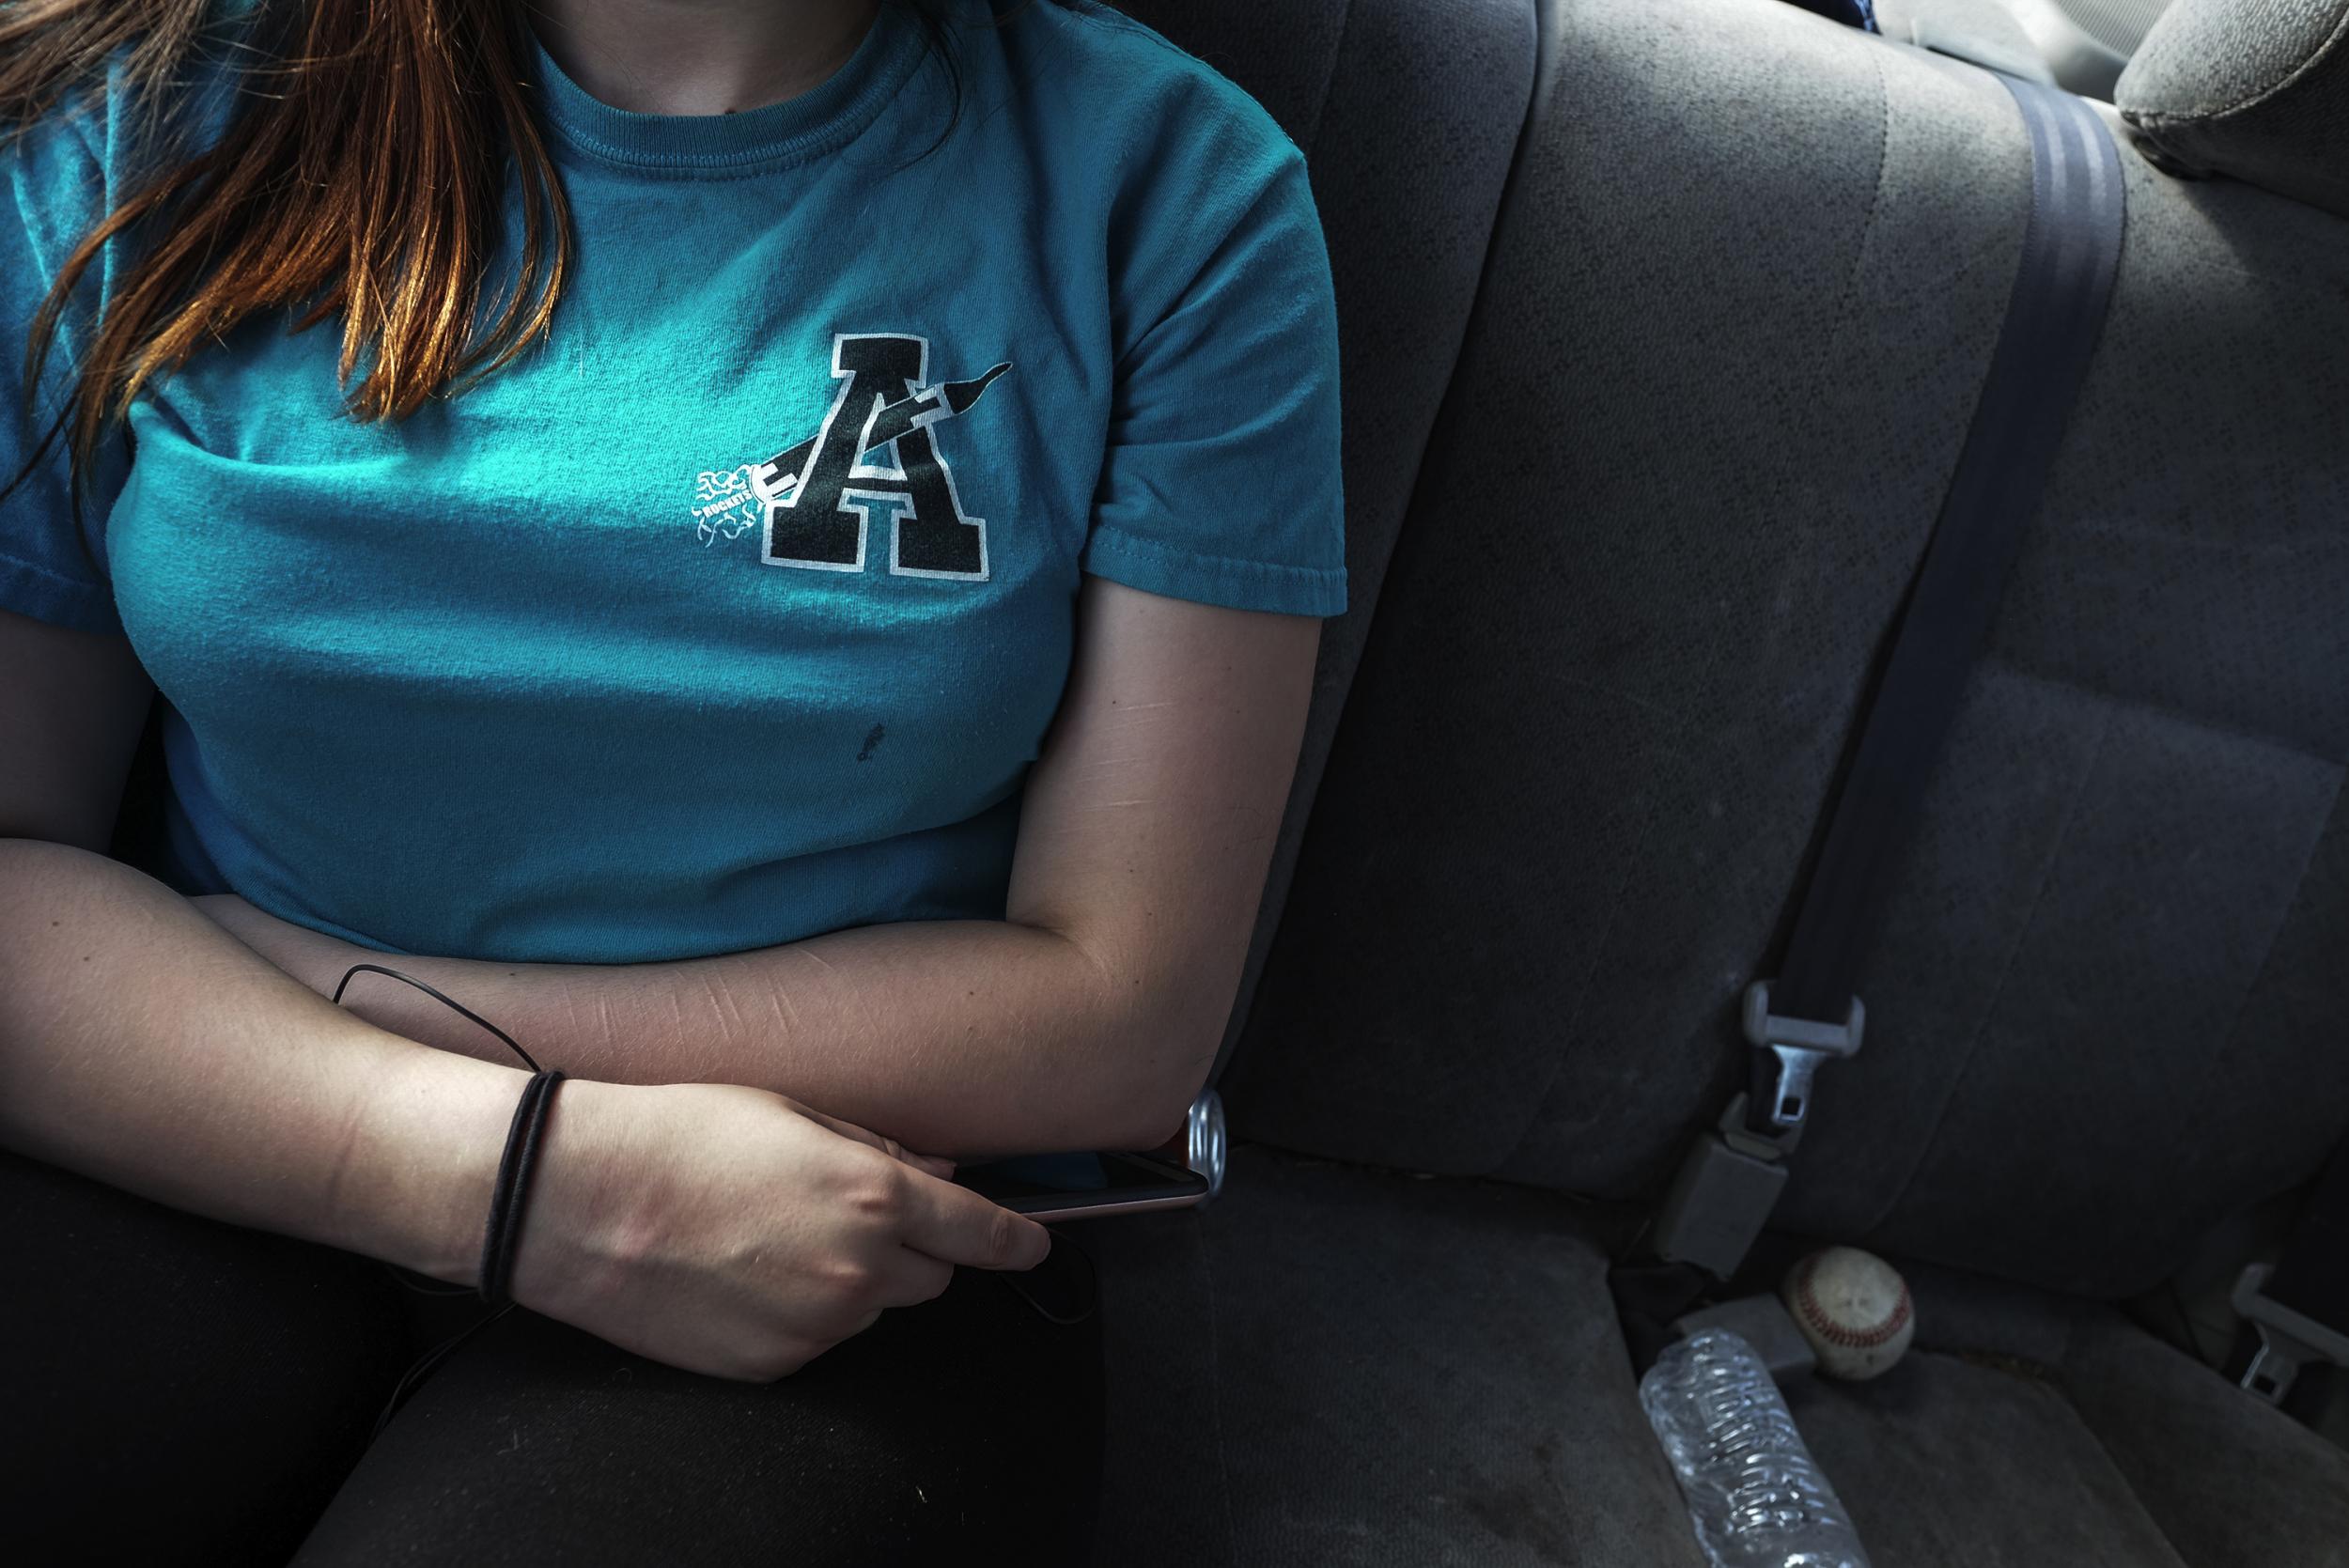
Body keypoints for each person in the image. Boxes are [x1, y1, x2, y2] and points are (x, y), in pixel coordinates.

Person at [0, 0, 1346, 1560]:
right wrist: (509, 1171)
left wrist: (340, 990)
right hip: (200, 1123)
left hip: (840, 1215)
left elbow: (1123, 1011)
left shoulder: (1177, 196)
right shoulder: (136, 115)